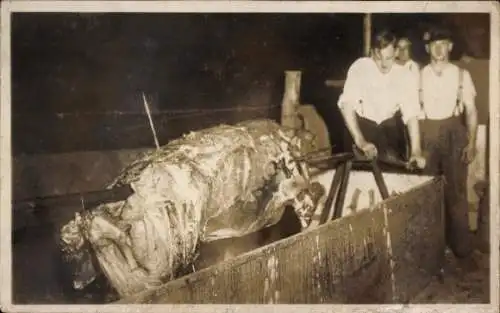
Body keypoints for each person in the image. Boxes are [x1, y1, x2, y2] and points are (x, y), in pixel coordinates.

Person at [418, 27, 479, 260]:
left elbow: (472, 111)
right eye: (435, 44)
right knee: (424, 193)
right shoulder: (418, 74)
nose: (439, 49)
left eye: (444, 43)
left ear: (451, 47)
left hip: (454, 133)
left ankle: (462, 250)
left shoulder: (461, 75)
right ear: (427, 48)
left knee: (456, 192)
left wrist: (471, 142)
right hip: (427, 135)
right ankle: (427, 250)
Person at [337, 29, 425, 168]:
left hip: (389, 132)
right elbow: (347, 104)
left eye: (388, 58)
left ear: (396, 52)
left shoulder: (405, 75)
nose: (384, 65)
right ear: (372, 52)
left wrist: (416, 151)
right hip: (361, 128)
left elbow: (411, 114)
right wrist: (360, 141)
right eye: (378, 59)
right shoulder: (360, 67)